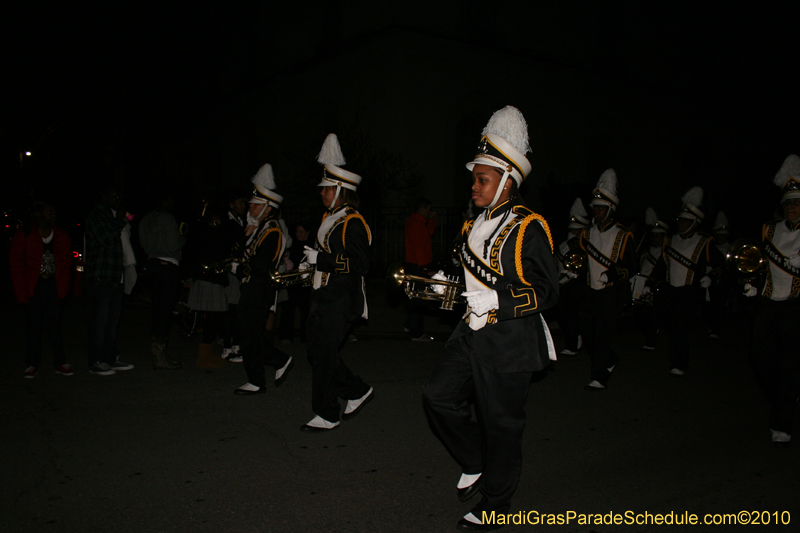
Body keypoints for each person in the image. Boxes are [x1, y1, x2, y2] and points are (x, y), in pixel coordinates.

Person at [422, 106, 559, 532]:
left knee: (501, 426)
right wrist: (441, 282)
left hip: (510, 341)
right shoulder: (472, 224)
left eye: (482, 179)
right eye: (475, 179)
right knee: (437, 396)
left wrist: (497, 301)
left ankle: (498, 503)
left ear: (506, 181)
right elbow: (464, 272)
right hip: (470, 332)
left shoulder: (528, 226)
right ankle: (476, 460)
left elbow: (546, 290)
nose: (474, 185)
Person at [299, 133, 374, 432]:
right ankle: (356, 390)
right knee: (317, 353)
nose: (322, 193)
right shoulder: (331, 218)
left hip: (341, 299)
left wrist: (322, 259)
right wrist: (311, 263)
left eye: (327, 188)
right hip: (325, 296)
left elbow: (361, 264)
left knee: (324, 356)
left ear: (340, 189)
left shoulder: (352, 222)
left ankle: (327, 413)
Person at [743, 154, 800, 445]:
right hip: (767, 303)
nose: (792, 208)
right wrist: (752, 283)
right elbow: (760, 263)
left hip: (795, 306)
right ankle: (783, 399)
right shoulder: (769, 228)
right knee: (758, 359)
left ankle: (781, 423)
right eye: (788, 203)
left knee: (789, 366)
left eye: (797, 203)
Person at [646, 187, 723, 376]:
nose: (681, 223)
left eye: (685, 221)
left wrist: (710, 277)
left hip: (690, 291)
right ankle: (677, 358)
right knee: (672, 326)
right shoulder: (669, 240)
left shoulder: (704, 242)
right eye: (680, 220)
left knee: (680, 326)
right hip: (671, 290)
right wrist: (649, 283)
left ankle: (679, 362)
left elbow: (720, 264)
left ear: (695, 222)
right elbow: (661, 266)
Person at [232, 164, 294, 395]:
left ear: (268, 208)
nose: (251, 206)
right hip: (252, 287)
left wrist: (238, 269)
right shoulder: (258, 228)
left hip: (260, 289)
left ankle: (259, 378)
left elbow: (259, 264)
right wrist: (246, 235)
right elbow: (242, 252)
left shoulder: (273, 231)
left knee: (250, 335)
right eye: (251, 203)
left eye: (256, 204)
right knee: (249, 334)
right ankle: (276, 362)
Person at [578, 169, 635, 390]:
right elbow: (581, 258)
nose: (597, 212)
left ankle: (599, 377)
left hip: (612, 293)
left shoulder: (623, 235)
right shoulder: (586, 233)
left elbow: (632, 265)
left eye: (601, 208)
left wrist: (611, 274)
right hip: (590, 291)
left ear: (610, 209)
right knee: (587, 332)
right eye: (595, 208)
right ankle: (609, 359)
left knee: (602, 335)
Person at [10, 200, 73, 378]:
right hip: (34, 289)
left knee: (55, 326)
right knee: (34, 327)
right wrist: (21, 293)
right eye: (49, 212)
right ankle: (32, 363)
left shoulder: (60, 235)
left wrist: (65, 288)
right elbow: (16, 265)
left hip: (53, 287)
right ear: (38, 214)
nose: (53, 216)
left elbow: (66, 263)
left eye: (54, 212)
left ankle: (60, 362)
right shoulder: (25, 235)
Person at [84, 184, 135, 375]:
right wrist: (120, 220)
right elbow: (106, 239)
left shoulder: (113, 215)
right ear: (104, 197)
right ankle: (95, 361)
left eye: (120, 197)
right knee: (99, 321)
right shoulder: (96, 216)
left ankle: (110, 358)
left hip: (116, 277)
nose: (118, 200)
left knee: (113, 322)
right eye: (115, 196)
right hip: (101, 277)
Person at [138, 191, 185, 369]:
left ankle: (158, 355)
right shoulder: (168, 219)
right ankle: (160, 358)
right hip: (168, 266)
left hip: (152, 265)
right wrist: (182, 240)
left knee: (158, 310)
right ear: (164, 201)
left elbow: (144, 244)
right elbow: (173, 245)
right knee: (165, 311)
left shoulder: (146, 219)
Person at [187, 208, 230, 368]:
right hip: (209, 279)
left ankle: (208, 353)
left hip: (212, 278)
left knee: (214, 317)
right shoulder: (206, 233)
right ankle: (204, 356)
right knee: (212, 316)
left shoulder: (208, 232)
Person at [554, 198, 589, 355]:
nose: (573, 233)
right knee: (561, 314)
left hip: (577, 283)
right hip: (563, 282)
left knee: (572, 315)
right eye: (572, 230)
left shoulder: (586, 245)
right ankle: (574, 338)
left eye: (577, 230)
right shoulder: (564, 244)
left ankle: (572, 344)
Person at [219, 189, 248, 362]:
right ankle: (228, 346)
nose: (244, 206)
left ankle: (235, 344)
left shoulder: (242, 221)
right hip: (231, 270)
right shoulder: (226, 223)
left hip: (239, 269)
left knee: (237, 308)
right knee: (231, 309)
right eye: (240, 203)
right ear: (231, 204)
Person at [403, 197, 437, 341]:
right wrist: (425, 269)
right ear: (422, 209)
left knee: (417, 297)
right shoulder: (416, 224)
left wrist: (432, 220)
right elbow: (419, 249)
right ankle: (416, 333)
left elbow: (429, 234)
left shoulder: (417, 222)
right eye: (428, 209)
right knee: (420, 299)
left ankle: (410, 325)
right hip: (418, 266)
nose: (430, 212)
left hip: (416, 265)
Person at [634, 207, 669, 350]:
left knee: (654, 314)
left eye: (658, 236)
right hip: (642, 285)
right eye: (653, 235)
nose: (655, 238)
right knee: (640, 314)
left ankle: (651, 340)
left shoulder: (667, 252)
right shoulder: (645, 250)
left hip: (658, 286)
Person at [278, 221, 314, 343]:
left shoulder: (311, 246)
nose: (298, 234)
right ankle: (286, 336)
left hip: (306, 284)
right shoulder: (292, 245)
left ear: (308, 233)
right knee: (288, 309)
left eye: (301, 232)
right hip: (293, 282)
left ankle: (306, 336)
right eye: (297, 232)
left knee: (306, 311)